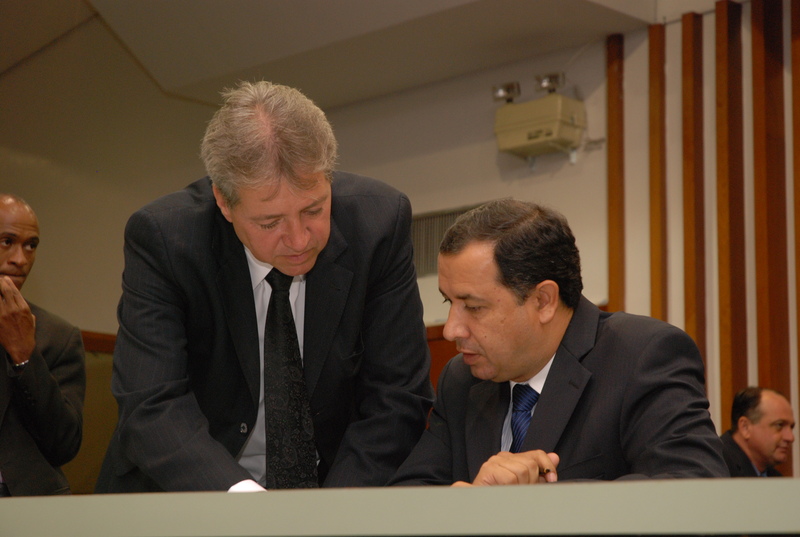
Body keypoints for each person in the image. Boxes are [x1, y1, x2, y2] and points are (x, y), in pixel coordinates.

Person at [95, 81, 433, 493]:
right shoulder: (166, 240)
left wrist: (333, 512)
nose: (299, 240)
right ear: (224, 202)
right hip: (189, 490)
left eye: (314, 210)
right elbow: (152, 403)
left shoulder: (378, 225)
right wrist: (244, 502)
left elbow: (397, 398)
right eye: (270, 222)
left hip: (336, 489)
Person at [390, 199, 728, 486]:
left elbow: (695, 485)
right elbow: (408, 498)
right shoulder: (461, 379)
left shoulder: (642, 355)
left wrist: (535, 504)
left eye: (474, 307)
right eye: (449, 303)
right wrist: (466, 506)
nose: (451, 330)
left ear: (543, 301)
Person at [0, 194, 85, 496]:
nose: (20, 259)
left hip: (22, 501)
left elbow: (64, 445)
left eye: (31, 245)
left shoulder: (58, 336)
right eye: (7, 241)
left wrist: (25, 355)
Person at [720, 387, 795, 477]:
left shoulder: (776, 478)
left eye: (791, 427)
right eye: (779, 425)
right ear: (745, 427)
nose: (790, 437)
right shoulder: (716, 467)